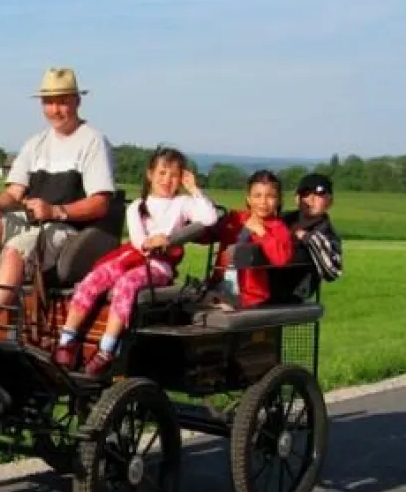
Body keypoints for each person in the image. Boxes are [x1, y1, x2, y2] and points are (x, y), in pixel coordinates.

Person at [0, 67, 116, 330]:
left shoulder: (93, 142)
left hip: (67, 229)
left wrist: (55, 211)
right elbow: (14, 193)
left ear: (77, 101)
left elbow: (100, 203)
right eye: (49, 102)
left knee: (16, 248)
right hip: (33, 222)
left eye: (62, 101)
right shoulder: (35, 143)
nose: (55, 109)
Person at [53, 147, 219, 376]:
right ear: (150, 174)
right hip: (133, 256)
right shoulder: (137, 207)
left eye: (174, 175)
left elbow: (210, 218)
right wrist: (151, 243)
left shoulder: (183, 203)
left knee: (127, 284)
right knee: (94, 278)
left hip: (158, 266)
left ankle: (107, 349)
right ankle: (67, 340)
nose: (167, 180)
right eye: (162, 173)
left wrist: (194, 189)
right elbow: (139, 241)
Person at [204, 169, 296, 309]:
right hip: (220, 286)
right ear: (249, 198)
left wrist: (262, 232)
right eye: (257, 196)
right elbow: (208, 234)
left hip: (250, 296)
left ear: (278, 200)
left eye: (270, 196)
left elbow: (281, 259)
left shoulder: (277, 228)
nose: (263, 202)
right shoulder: (236, 219)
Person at [268, 172, 343, 302]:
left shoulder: (326, 234)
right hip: (262, 284)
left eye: (319, 194)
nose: (311, 199)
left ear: (330, 201)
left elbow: (332, 272)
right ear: (297, 199)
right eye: (306, 194)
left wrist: (306, 237)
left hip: (293, 294)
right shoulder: (283, 219)